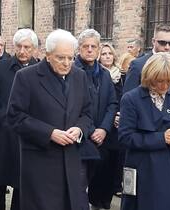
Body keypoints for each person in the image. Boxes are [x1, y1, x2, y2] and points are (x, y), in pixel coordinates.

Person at [6, 29, 92, 210]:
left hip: (71, 160)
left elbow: (87, 113)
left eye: (71, 58)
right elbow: (15, 116)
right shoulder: (26, 77)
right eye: (61, 58)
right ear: (47, 55)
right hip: (40, 162)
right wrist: (49, 133)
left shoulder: (79, 76)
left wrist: (80, 129)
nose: (67, 63)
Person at [119, 52, 170, 210]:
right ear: (149, 77)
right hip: (142, 168)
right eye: (159, 81)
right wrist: (161, 138)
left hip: (169, 169)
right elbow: (125, 137)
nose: (164, 86)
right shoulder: (131, 99)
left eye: (169, 81)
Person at [0, 28, 38, 210]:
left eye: (27, 47)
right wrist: (1, 117)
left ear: (34, 50)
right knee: (0, 175)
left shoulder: (38, 70)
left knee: (21, 177)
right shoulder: (1, 67)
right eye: (19, 46)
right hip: (4, 130)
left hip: (26, 132)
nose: (22, 51)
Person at [73, 29, 117, 210]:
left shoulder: (105, 74)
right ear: (79, 49)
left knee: (101, 184)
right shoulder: (72, 72)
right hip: (82, 138)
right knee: (80, 185)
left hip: (103, 136)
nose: (90, 50)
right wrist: (91, 131)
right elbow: (74, 108)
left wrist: (104, 129)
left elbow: (112, 104)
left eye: (93, 46)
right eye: (86, 46)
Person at [123, 23, 170, 116]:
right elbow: (128, 97)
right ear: (153, 41)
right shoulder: (138, 65)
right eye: (162, 43)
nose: (167, 47)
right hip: (146, 121)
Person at [98, 43, 126, 200]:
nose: (107, 56)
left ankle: (116, 185)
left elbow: (126, 96)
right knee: (104, 159)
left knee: (118, 156)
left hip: (120, 121)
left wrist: (122, 115)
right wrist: (112, 115)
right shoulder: (99, 75)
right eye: (104, 54)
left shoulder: (122, 76)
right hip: (105, 120)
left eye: (109, 53)